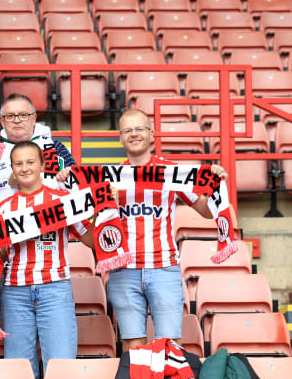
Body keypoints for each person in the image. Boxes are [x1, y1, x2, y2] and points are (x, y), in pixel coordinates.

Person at [96, 109, 227, 350]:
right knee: (133, 345)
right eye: (128, 131)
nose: (134, 134)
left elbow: (206, 211)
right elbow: (92, 222)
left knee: (171, 344)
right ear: (120, 138)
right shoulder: (110, 178)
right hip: (124, 271)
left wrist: (213, 182)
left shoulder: (172, 172)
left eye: (140, 129)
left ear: (151, 134)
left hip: (164, 268)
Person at [0, 141, 93, 379]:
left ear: (43, 165)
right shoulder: (4, 207)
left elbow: (90, 240)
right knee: (19, 371)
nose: (25, 168)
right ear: (12, 169)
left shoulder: (63, 199)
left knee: (61, 367)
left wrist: (101, 210)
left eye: (30, 162)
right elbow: (1, 255)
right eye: (18, 164)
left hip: (55, 288)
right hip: (15, 291)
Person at [0, 93, 76, 218]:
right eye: (10, 116)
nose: (17, 120)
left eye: (23, 115)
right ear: (2, 121)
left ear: (34, 118)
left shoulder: (55, 147)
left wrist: (70, 175)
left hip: (49, 226)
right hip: (4, 230)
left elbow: (78, 186)